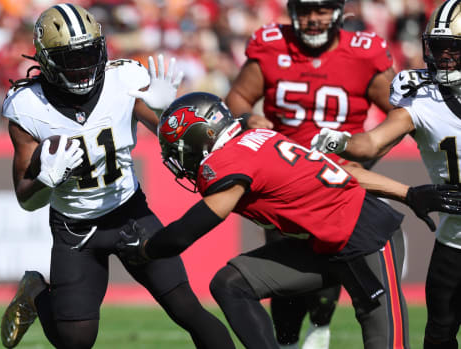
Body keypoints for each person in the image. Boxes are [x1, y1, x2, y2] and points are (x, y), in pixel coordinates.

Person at [117, 92, 461, 349]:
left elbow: (188, 231)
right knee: (231, 283)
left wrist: (147, 249)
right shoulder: (256, 139)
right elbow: (341, 170)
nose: (179, 160)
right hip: (323, 245)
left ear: (202, 138)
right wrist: (407, 193)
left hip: (366, 240)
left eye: (180, 149)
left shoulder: (229, 160)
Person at [0, 4, 235, 349]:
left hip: (130, 214)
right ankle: (37, 293)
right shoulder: (27, 106)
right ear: (48, 61)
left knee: (187, 309)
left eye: (87, 55)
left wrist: (167, 111)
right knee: (75, 341)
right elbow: (26, 199)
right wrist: (46, 180)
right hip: (75, 228)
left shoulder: (123, 79)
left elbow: (170, 137)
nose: (82, 68)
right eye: (70, 59)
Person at [224, 0, 396, 346]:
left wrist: (368, 156)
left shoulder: (363, 53)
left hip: (336, 180)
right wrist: (247, 119)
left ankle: (320, 325)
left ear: (338, 13)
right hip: (282, 180)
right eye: (305, 10)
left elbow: (402, 116)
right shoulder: (272, 45)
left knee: (334, 254)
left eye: (320, 10)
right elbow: (239, 97)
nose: (313, 19)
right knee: (281, 259)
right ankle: (287, 339)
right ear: (292, 11)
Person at [311, 1, 461, 347]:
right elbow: (374, 144)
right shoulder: (423, 98)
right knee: (439, 335)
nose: (445, 56)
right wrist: (340, 141)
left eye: (454, 47)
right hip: (454, 238)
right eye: (439, 47)